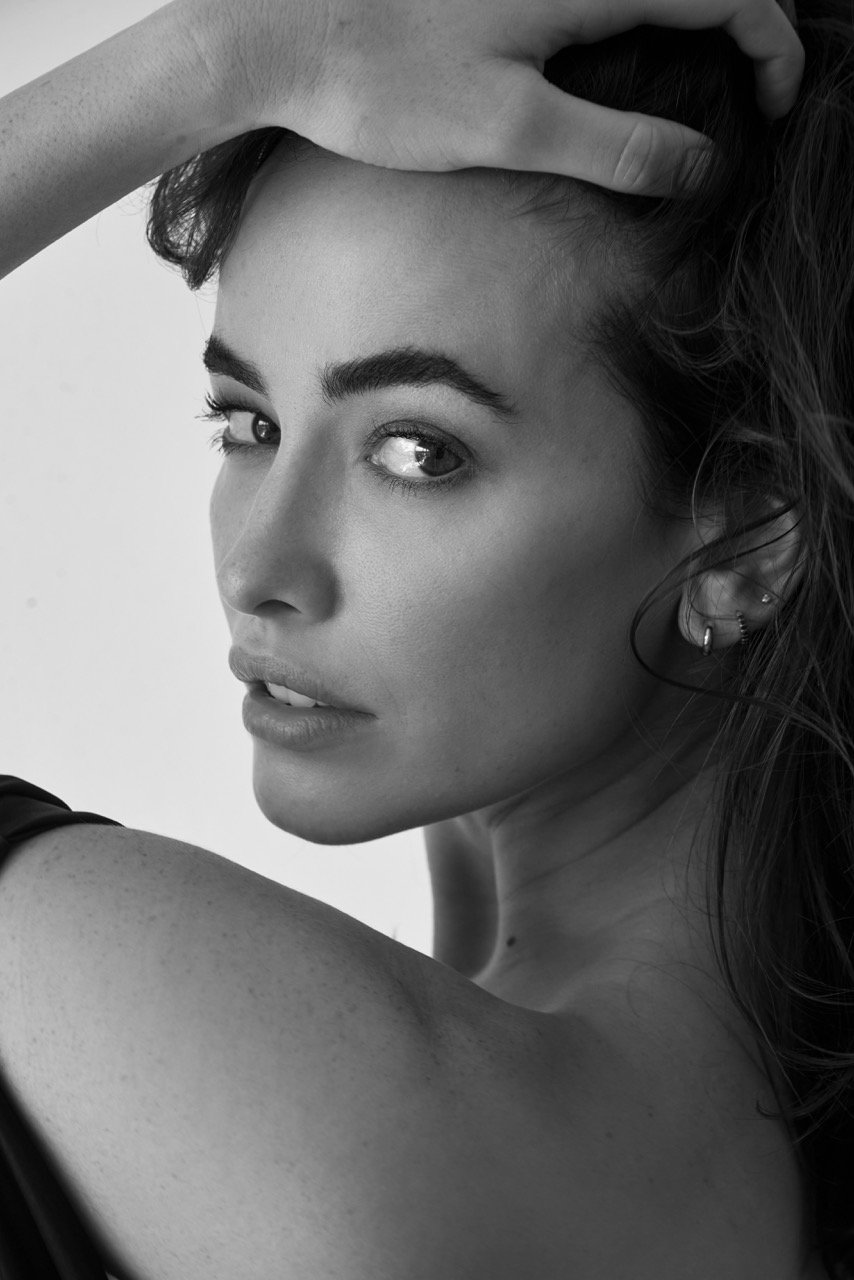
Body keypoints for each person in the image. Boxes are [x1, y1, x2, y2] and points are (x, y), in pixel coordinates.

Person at [2, 0, 849, 1277]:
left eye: (416, 449)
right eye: (247, 423)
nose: (258, 566)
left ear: (743, 541)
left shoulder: (248, 1065)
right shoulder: (734, 1164)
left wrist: (220, 58)